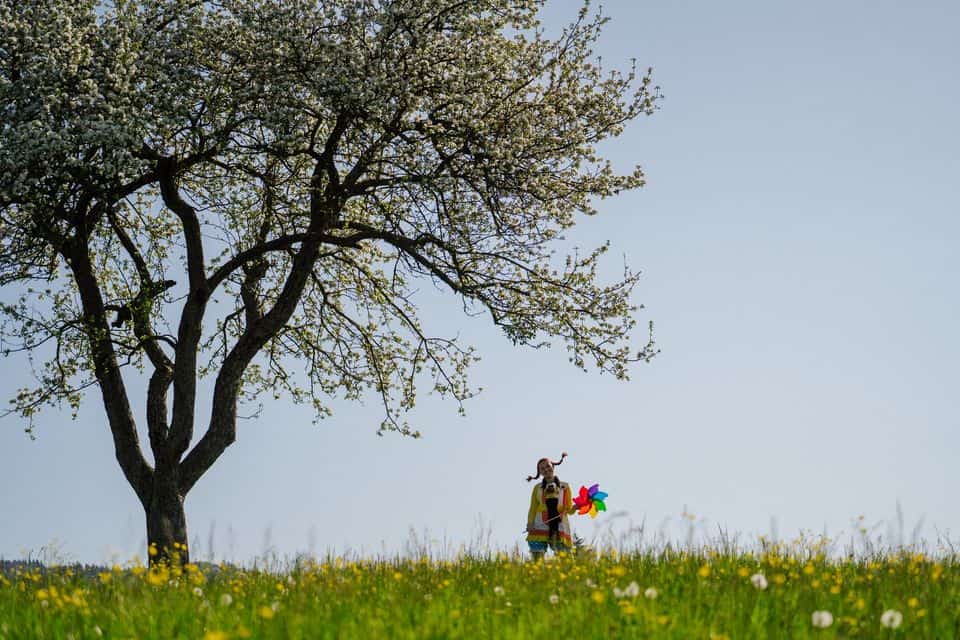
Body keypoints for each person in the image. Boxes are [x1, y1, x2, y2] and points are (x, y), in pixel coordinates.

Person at [525, 452, 575, 560]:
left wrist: (576, 507)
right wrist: (530, 523)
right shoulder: (537, 488)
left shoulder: (565, 487)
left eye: (548, 466)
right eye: (542, 468)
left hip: (559, 524)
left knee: (564, 556)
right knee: (537, 556)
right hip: (540, 523)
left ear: (553, 466)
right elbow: (533, 508)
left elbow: (569, 509)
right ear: (540, 472)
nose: (546, 469)